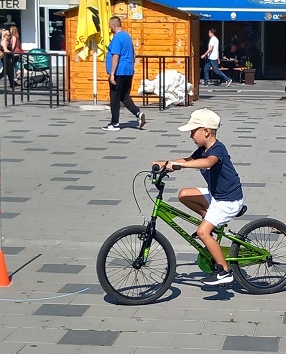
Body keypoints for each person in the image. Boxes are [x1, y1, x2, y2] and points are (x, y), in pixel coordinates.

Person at [153, 108, 244, 286]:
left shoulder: (217, 149)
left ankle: (224, 271)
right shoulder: (203, 149)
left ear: (206, 131)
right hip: (216, 196)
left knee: (202, 232)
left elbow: (208, 162)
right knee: (184, 194)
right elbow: (188, 160)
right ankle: (209, 221)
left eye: (193, 132)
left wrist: (180, 167)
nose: (190, 136)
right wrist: (164, 163)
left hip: (229, 201)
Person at [104, 16, 146, 131]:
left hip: (119, 71)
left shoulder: (117, 38)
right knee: (124, 96)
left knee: (114, 97)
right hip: (128, 71)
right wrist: (131, 67)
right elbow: (133, 55)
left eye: (109, 26)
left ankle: (114, 123)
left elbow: (116, 56)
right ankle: (138, 113)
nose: (109, 28)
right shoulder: (127, 36)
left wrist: (112, 73)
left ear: (113, 25)